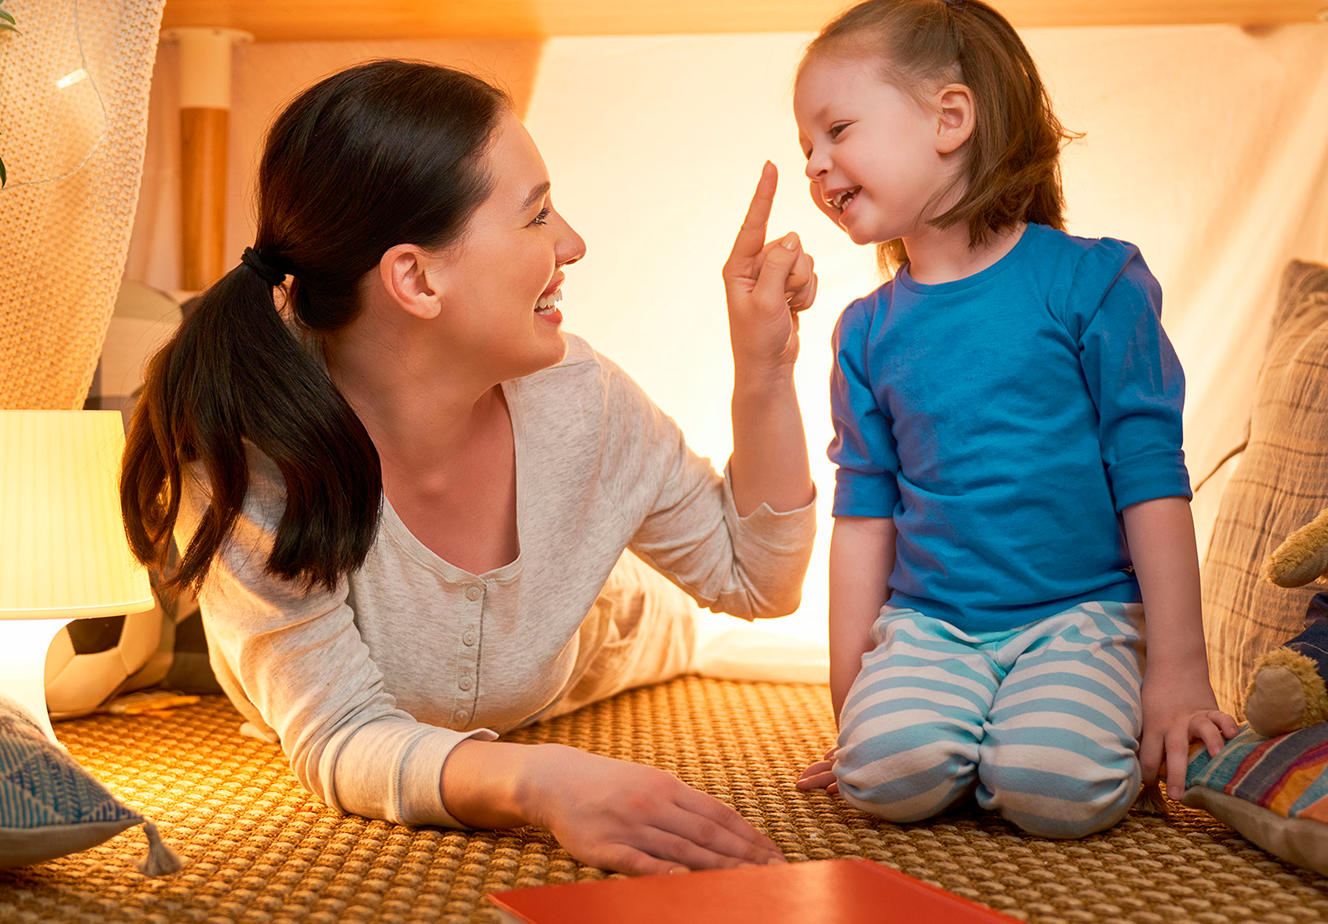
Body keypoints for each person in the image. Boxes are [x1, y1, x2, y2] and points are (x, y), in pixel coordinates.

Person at [120, 59, 820, 875]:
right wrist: (541, 782)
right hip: (432, 674)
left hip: (613, 626)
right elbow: (343, 733)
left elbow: (758, 581)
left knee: (686, 629)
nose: (573, 243)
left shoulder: (582, 405)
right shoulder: (256, 460)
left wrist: (765, 367)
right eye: (537, 216)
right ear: (414, 277)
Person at [788, 0, 1238, 837]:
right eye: (806, 146)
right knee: (885, 779)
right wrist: (853, 712)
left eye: (837, 129)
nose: (817, 165)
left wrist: (1177, 675)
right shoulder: (866, 330)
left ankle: (1022, 734)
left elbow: (1151, 480)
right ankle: (955, 732)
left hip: (1084, 618)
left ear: (950, 117)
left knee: (1054, 788)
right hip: (930, 627)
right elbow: (862, 522)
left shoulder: (1094, 282)